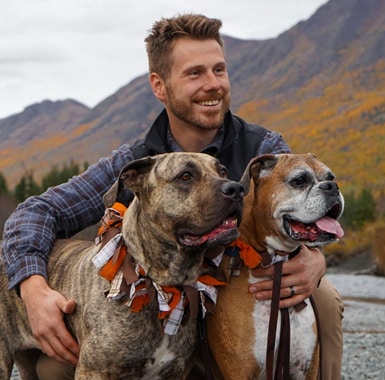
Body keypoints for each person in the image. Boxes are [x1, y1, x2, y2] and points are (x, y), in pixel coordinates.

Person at [2, 13, 343, 379]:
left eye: (219, 70)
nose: (213, 85)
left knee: (323, 298)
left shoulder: (264, 150)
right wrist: (33, 288)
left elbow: (298, 211)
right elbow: (37, 211)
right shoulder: (137, 163)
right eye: (195, 73)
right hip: (150, 303)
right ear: (159, 85)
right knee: (55, 367)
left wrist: (312, 256)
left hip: (239, 289)